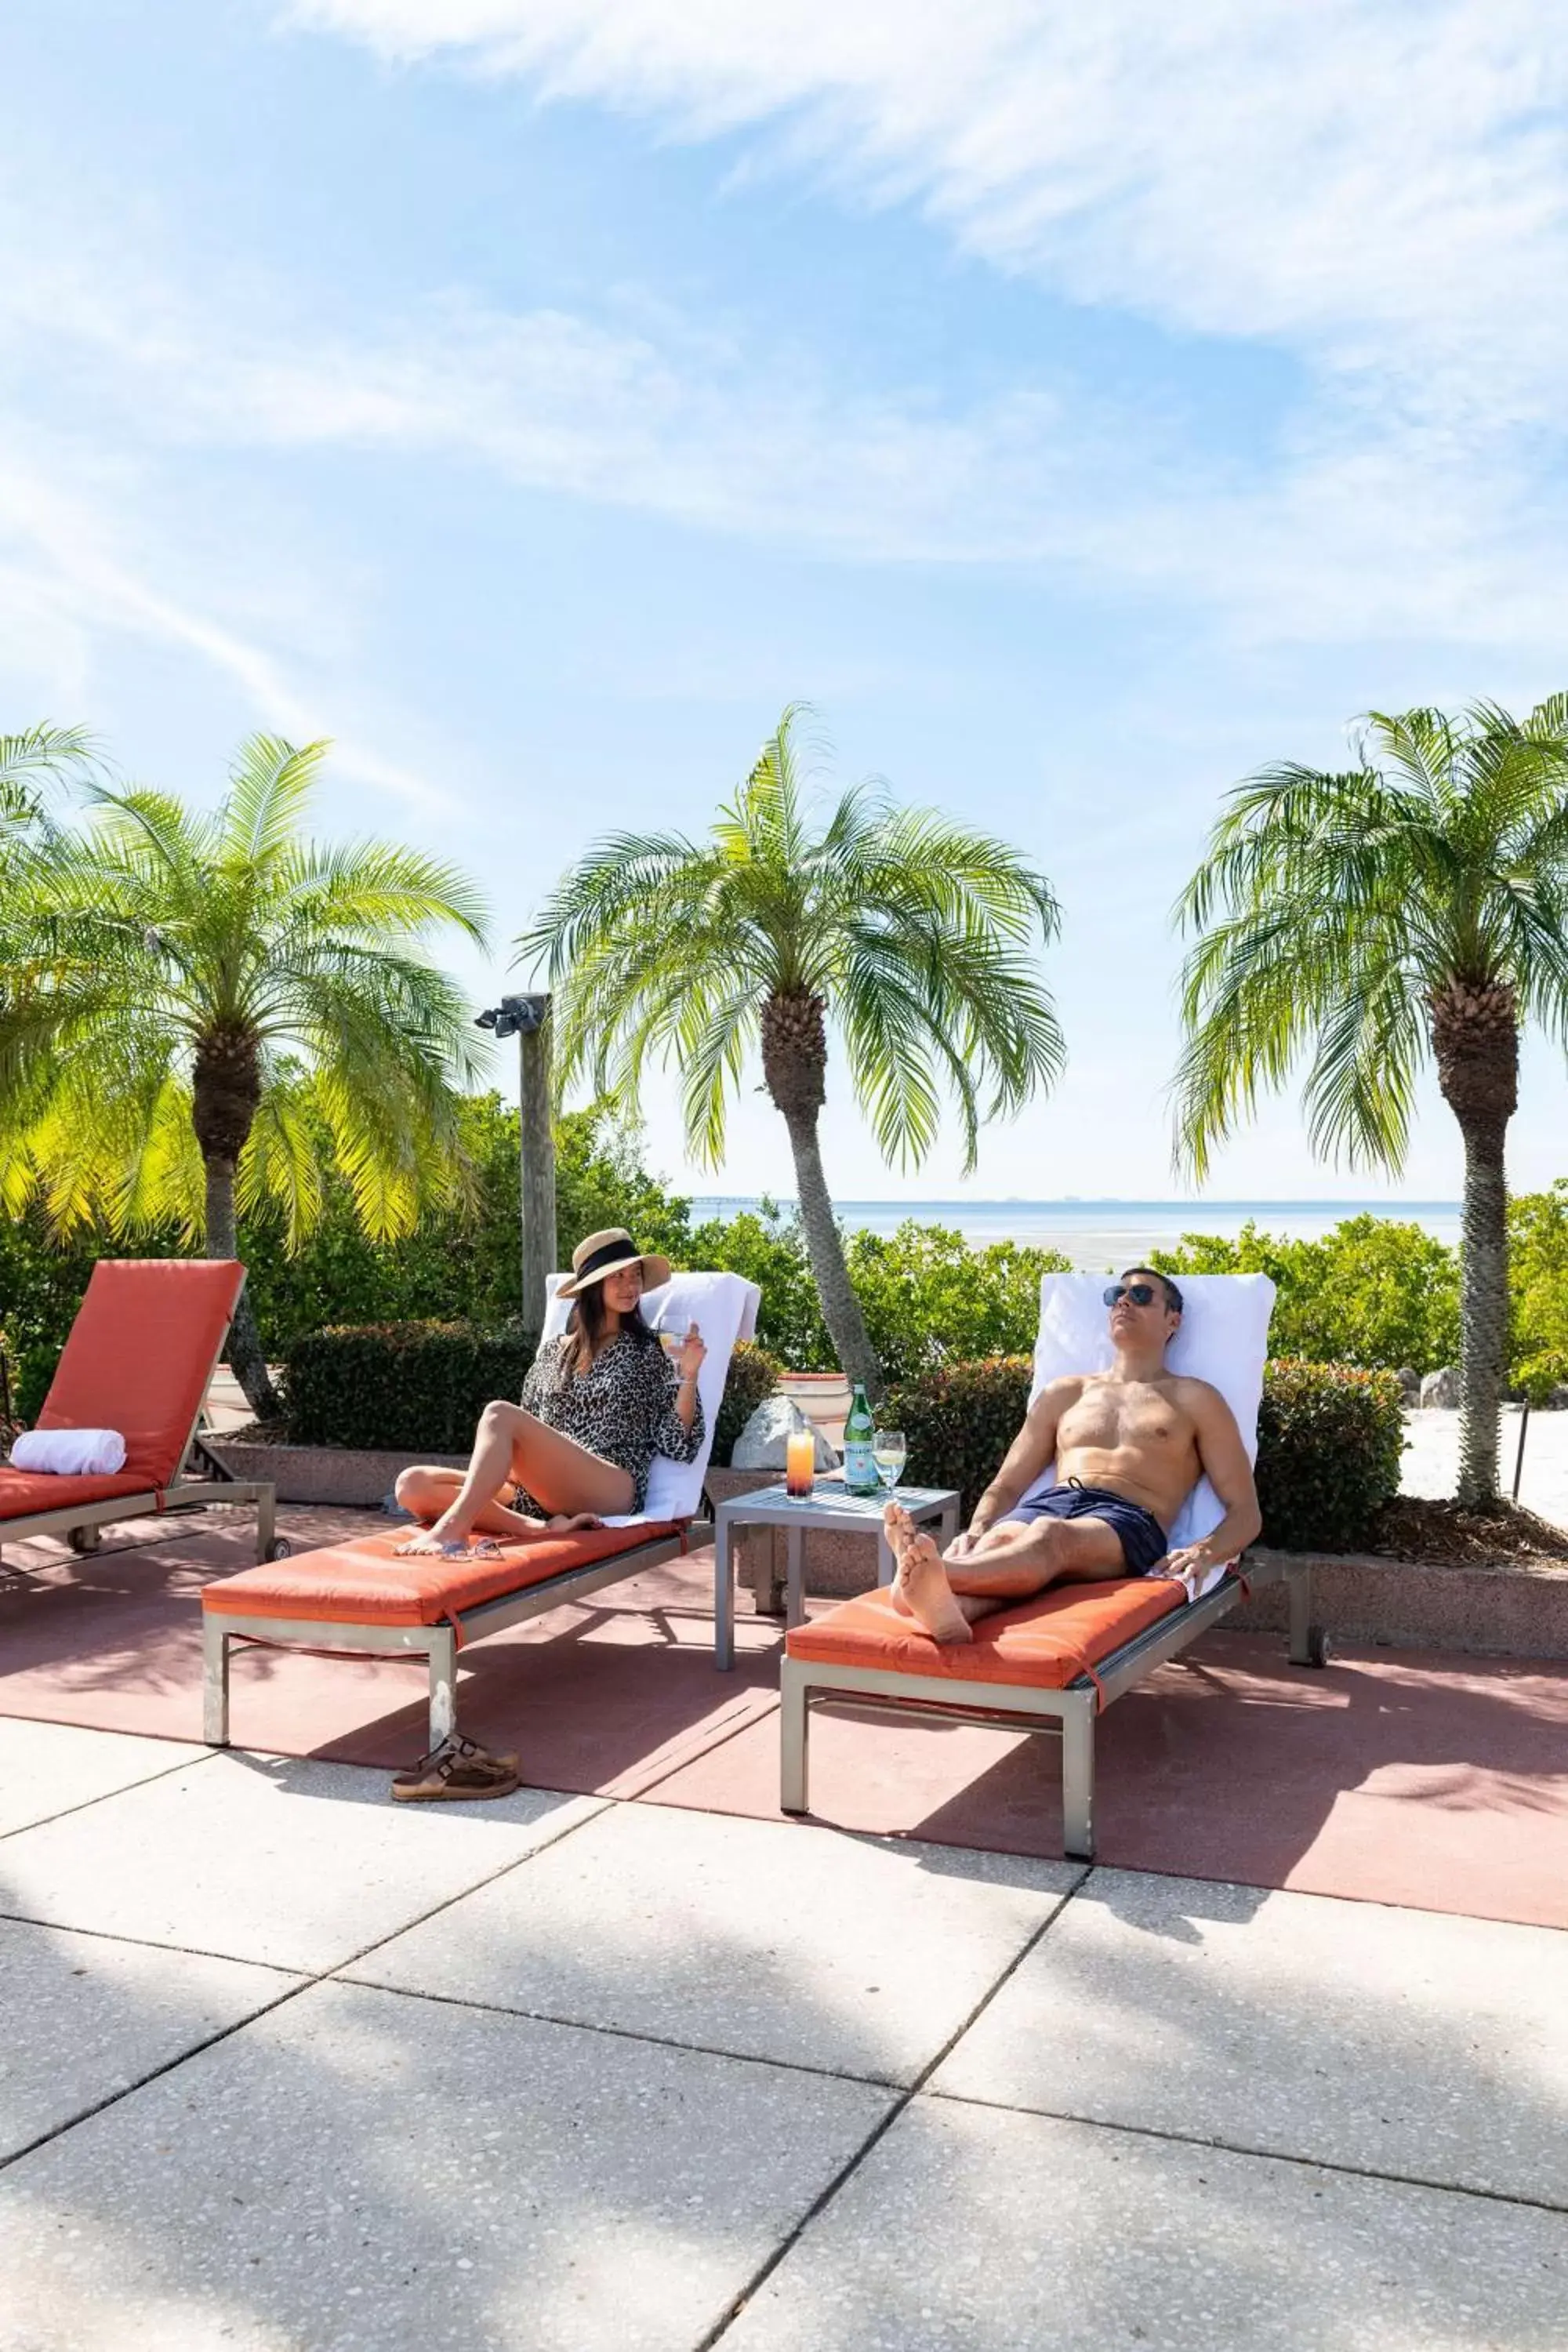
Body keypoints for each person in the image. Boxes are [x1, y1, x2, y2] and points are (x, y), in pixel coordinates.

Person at [883, 1268, 1261, 1645]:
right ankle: (951, 1610)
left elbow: (1245, 1511)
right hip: (1054, 1500)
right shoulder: (1065, 1393)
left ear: (1172, 1320)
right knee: (1001, 1545)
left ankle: (932, 1573)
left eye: (1142, 1296)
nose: (1124, 1302)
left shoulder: (1195, 1398)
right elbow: (1008, 1484)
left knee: (1049, 1536)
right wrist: (978, 1530)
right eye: (1116, 1295)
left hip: (1129, 1519)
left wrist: (1204, 1551)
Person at [394, 1228, 707, 1558]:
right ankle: (540, 1527)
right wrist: (499, 1474)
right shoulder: (552, 1354)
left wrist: (689, 1377)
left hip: (610, 1484)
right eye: (618, 1276)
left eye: (635, 1275)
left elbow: (678, 1444)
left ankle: (453, 1530)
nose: (630, 1285)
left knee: (499, 1414)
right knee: (411, 1485)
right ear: (592, 1286)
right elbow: (527, 1435)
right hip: (542, 1493)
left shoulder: (650, 1350)